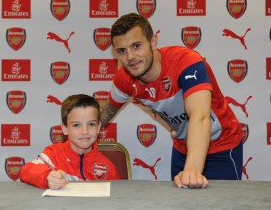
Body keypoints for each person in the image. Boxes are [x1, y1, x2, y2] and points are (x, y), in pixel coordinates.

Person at [100, 13, 243, 189]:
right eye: (122, 51)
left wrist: (191, 171)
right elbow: (104, 114)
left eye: (136, 46)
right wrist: (69, 144)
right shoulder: (124, 79)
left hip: (221, 144)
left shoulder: (186, 62)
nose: (130, 57)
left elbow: (200, 116)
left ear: (153, 42)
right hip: (183, 146)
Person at [20, 94, 121, 189]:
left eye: (91, 124)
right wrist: (47, 177)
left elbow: (118, 197)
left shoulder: (108, 168)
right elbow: (26, 171)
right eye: (76, 125)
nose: (85, 131)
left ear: (98, 127)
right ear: (65, 128)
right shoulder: (53, 155)